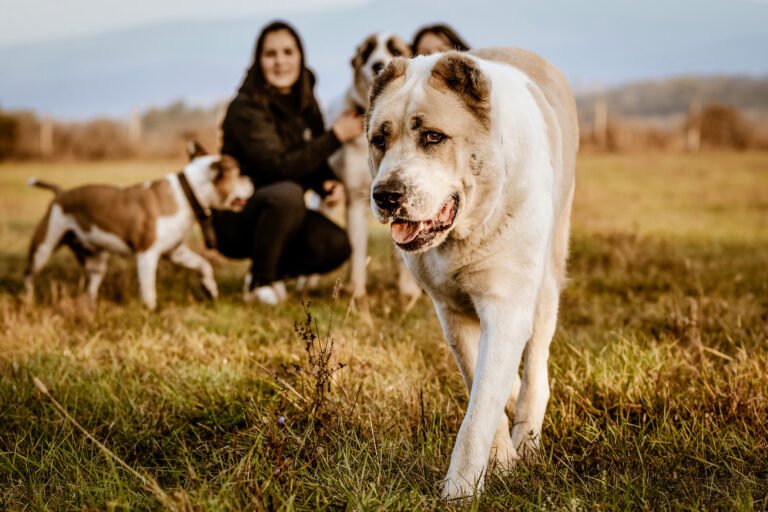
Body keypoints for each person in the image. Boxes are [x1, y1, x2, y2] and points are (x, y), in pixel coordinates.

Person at [213, 20, 363, 305]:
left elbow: (310, 152)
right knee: (287, 194)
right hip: (239, 216)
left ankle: (270, 272)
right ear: (259, 60)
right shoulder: (246, 107)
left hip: (285, 214)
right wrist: (337, 136)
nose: (280, 62)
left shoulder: (304, 97)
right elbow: (277, 166)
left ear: (300, 56)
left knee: (336, 244)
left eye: (288, 52)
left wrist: (325, 183)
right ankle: (260, 284)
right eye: (271, 54)